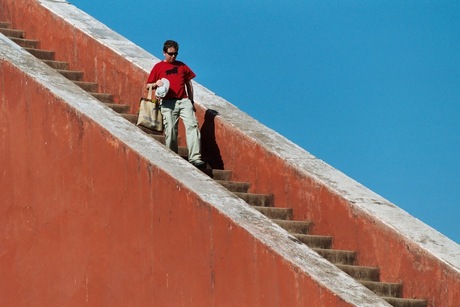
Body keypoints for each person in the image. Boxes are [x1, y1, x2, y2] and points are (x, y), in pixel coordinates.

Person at [146, 40, 205, 167]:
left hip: (184, 101)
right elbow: (148, 85)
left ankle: (195, 157)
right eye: (170, 54)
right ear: (164, 52)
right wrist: (156, 84)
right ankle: (172, 156)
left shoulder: (182, 66)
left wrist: (191, 101)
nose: (173, 56)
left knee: (192, 126)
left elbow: (189, 83)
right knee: (171, 130)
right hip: (167, 103)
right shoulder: (158, 67)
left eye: (175, 54)